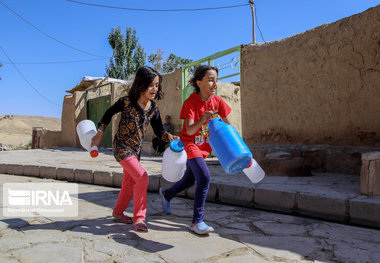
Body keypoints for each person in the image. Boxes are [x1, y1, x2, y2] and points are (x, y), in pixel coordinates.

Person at [91, 66, 177, 233]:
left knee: (129, 184)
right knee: (142, 177)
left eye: (157, 85)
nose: (154, 89)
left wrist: (170, 137)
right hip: (122, 147)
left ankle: (117, 213)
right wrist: (100, 133)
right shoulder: (126, 102)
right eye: (151, 85)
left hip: (135, 151)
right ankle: (139, 218)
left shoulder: (154, 108)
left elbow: (159, 131)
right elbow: (107, 114)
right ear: (141, 84)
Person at [159, 65, 231, 235]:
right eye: (210, 79)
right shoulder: (190, 102)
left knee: (191, 179)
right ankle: (196, 221)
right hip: (190, 145)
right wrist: (203, 120)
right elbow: (190, 130)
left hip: (204, 147)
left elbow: (229, 126)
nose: (215, 84)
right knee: (204, 177)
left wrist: (235, 146)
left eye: (216, 80)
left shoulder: (218, 102)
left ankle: (167, 195)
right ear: (199, 82)